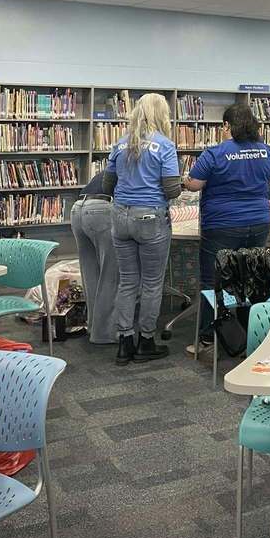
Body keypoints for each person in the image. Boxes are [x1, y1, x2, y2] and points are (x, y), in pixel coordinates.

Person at [182, 102, 270, 355]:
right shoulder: (265, 150)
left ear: (226, 125)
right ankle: (252, 333)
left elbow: (194, 185)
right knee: (250, 276)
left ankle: (207, 338)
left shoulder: (215, 153)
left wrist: (184, 179)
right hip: (259, 222)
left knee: (211, 280)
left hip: (222, 224)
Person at [102, 93, 182, 366]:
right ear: (161, 115)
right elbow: (172, 190)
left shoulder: (120, 143)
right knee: (151, 283)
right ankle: (146, 340)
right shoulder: (165, 145)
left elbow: (106, 186)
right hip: (150, 217)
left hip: (120, 217)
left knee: (127, 281)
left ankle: (124, 341)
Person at [70, 169, 118, 345]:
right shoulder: (139, 167)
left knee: (91, 275)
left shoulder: (116, 161)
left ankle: (93, 326)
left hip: (78, 208)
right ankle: (104, 333)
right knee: (110, 275)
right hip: (102, 209)